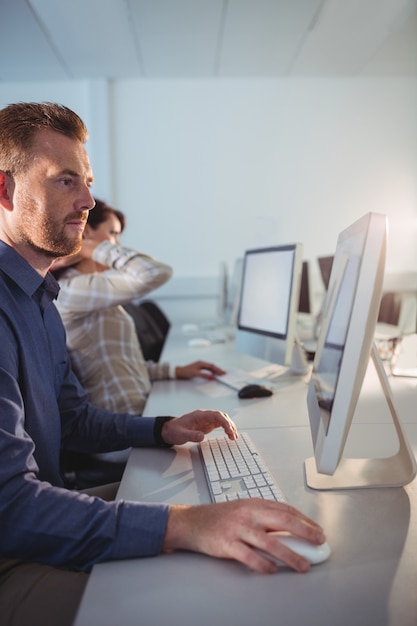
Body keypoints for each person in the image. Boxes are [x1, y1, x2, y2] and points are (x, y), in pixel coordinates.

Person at [0, 101, 326, 626]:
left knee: (209, 490)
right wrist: (186, 526)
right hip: (11, 557)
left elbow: (73, 418)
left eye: (86, 181)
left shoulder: (41, 298)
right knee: (202, 605)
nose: (87, 200)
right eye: (65, 181)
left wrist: (161, 428)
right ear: (5, 190)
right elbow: (9, 507)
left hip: (47, 504)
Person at [51, 198, 226, 418]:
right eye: (113, 234)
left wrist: (176, 371)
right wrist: (89, 248)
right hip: (123, 428)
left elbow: (125, 365)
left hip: (140, 411)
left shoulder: (92, 288)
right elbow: (155, 272)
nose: (117, 244)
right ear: (86, 232)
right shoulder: (71, 290)